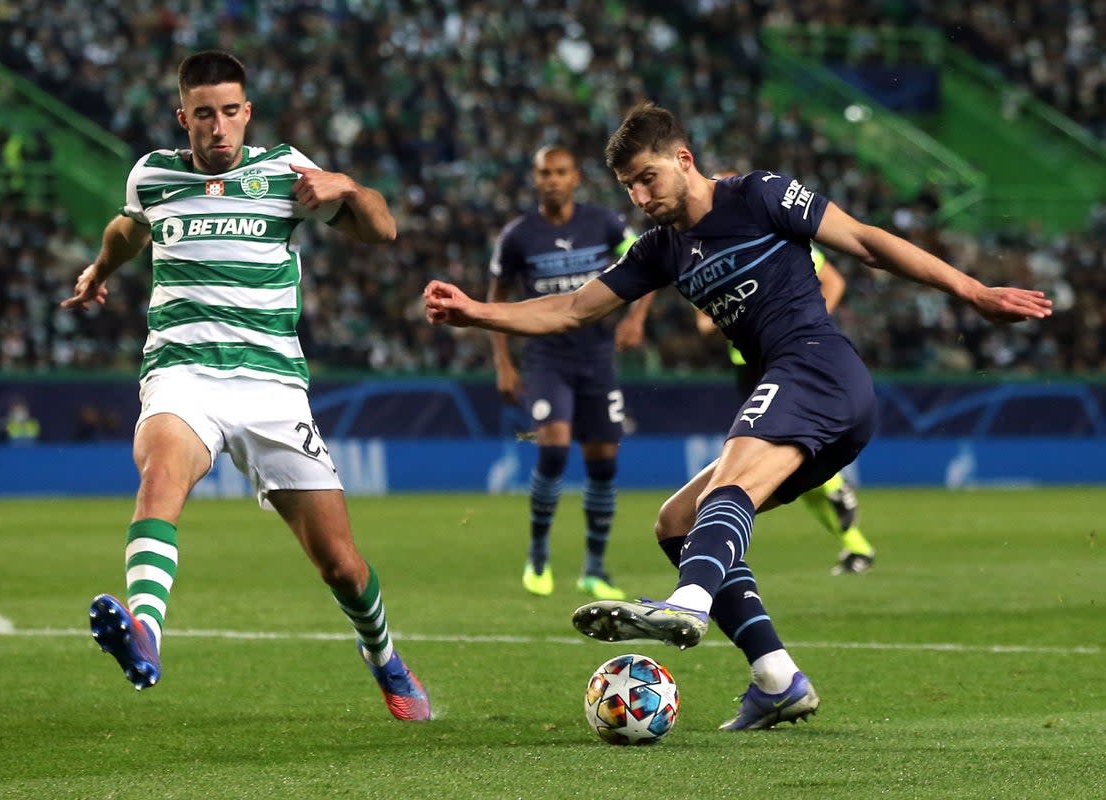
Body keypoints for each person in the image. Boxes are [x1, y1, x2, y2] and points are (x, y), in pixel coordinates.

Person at [424, 101, 1050, 730]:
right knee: (677, 524)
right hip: (803, 394)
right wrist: (476, 312)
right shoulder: (661, 250)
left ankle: (687, 603)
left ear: (683, 159)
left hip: (818, 367)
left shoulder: (761, 195)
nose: (641, 196)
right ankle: (777, 679)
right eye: (629, 187)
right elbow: (571, 310)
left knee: (726, 489)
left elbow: (864, 241)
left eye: (648, 178)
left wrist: (973, 291)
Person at [61, 50, 429, 721]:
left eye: (230, 112)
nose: (219, 127)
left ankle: (383, 656)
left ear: (247, 113)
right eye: (204, 115)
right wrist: (98, 268)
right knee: (160, 476)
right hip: (182, 373)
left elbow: (383, 230)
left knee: (342, 566)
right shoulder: (154, 175)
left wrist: (345, 186)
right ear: (185, 118)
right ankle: (145, 630)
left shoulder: (286, 171)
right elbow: (128, 227)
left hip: (271, 388)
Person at [694, 170, 876, 575]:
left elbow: (833, 280)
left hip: (785, 357)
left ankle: (834, 488)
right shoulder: (706, 252)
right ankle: (854, 541)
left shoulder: (773, 235)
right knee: (782, 458)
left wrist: (799, 323)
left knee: (770, 451)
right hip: (749, 362)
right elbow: (703, 321)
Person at [488, 144, 649, 601]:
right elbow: (496, 298)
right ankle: (538, 555)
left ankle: (594, 569)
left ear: (575, 176)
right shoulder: (518, 236)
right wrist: (503, 361)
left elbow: (649, 260)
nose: (552, 180)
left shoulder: (604, 223)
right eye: (544, 173)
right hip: (545, 359)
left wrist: (636, 318)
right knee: (554, 449)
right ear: (534, 179)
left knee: (603, 462)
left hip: (597, 358)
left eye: (560, 172)